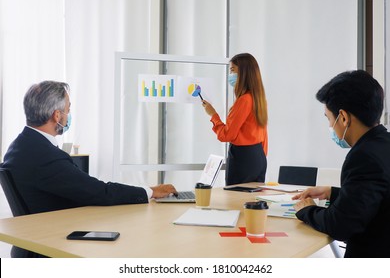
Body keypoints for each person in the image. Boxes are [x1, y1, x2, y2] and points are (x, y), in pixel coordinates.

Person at [1, 81, 177, 257]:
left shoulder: (19, 146)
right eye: (68, 109)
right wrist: (150, 191)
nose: (68, 114)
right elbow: (100, 192)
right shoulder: (46, 156)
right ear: (56, 115)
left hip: (35, 244)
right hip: (52, 247)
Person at [292, 70, 390, 258]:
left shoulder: (363, 157)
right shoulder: (383, 144)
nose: (330, 126)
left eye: (329, 118)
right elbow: (375, 199)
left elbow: (340, 225)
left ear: (343, 117)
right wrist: (332, 192)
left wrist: (306, 210)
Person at [202, 53, 268, 186]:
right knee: (252, 200)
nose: (230, 75)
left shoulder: (244, 100)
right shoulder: (259, 99)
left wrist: (213, 115)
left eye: (232, 70)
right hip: (258, 156)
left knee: (235, 198)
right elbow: (264, 135)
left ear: (243, 72)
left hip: (243, 158)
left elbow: (226, 135)